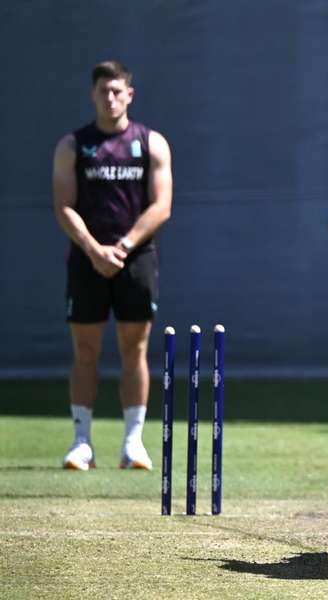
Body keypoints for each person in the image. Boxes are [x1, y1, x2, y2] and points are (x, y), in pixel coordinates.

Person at [52, 61, 173, 471]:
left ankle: (133, 443)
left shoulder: (150, 142)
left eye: (117, 91)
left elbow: (161, 206)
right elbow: (63, 206)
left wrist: (120, 246)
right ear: (93, 94)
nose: (110, 98)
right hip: (87, 260)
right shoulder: (73, 145)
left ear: (129, 95)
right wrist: (93, 249)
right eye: (103, 91)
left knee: (133, 349)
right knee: (85, 350)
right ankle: (81, 442)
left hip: (135, 259)